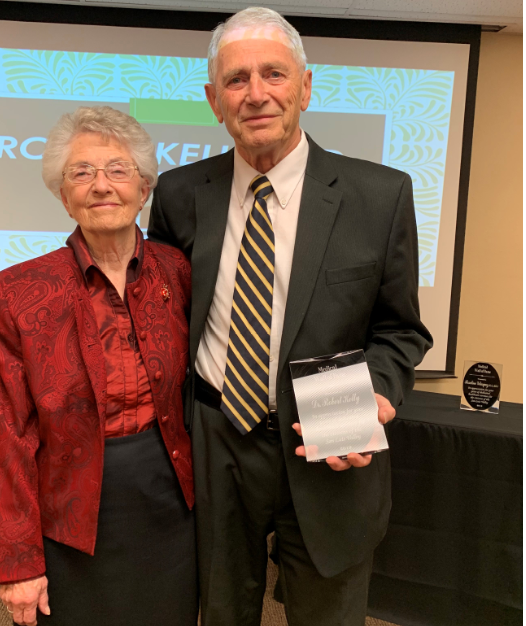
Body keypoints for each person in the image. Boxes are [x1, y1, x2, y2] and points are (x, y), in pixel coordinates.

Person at [146, 7, 433, 626]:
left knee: (327, 613)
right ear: (213, 99)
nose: (256, 94)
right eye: (236, 80)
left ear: (304, 85)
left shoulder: (380, 196)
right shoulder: (177, 194)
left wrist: (375, 397)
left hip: (329, 437)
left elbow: (399, 330)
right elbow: (155, 311)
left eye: (273, 74)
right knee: (222, 610)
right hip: (217, 437)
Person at [0, 106, 198, 626]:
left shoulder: (179, 270)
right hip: (70, 507)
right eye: (82, 173)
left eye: (118, 170)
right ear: (63, 195)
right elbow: (10, 432)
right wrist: (18, 563)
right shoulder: (21, 291)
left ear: (144, 188)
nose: (101, 186)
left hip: (170, 498)